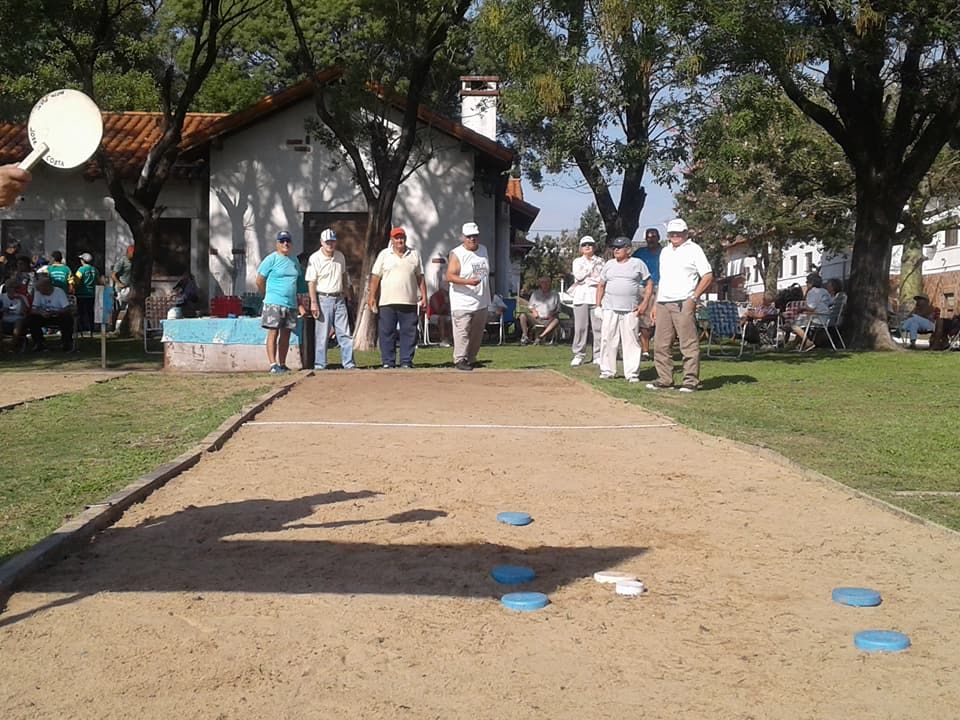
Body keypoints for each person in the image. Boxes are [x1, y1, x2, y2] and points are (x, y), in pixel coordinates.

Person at [647, 218, 714, 393]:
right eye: (671, 234)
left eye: (678, 233)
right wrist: (655, 304)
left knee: (688, 343)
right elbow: (663, 279)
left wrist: (694, 297)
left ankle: (690, 380)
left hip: (683, 301)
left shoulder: (694, 250)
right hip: (663, 302)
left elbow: (707, 275)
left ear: (685, 233)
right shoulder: (665, 252)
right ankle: (664, 379)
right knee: (661, 344)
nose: (675, 236)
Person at [368, 226, 426, 368]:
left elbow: (420, 277)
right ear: (392, 240)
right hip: (387, 301)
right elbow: (376, 277)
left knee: (409, 333)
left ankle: (406, 361)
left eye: (402, 237)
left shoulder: (414, 254)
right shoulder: (384, 254)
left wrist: (424, 296)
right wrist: (372, 296)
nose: (400, 240)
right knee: (387, 332)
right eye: (397, 238)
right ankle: (388, 362)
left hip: (409, 301)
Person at [596, 236, 652, 382]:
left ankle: (632, 373)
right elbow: (601, 285)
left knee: (631, 341)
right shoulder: (609, 264)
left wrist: (644, 303)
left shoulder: (638, 264)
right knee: (608, 339)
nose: (616, 250)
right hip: (610, 308)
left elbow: (649, 283)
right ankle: (607, 370)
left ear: (628, 249)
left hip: (631, 310)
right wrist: (598, 305)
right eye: (614, 248)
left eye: (619, 248)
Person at [255, 231, 305, 373]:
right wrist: (266, 294)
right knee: (273, 332)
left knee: (286, 334)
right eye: (282, 241)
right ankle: (273, 364)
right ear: (277, 243)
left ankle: (282, 363)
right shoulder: (271, 259)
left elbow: (297, 283)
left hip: (291, 304)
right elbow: (259, 280)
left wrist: (300, 303)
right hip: (274, 302)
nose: (285, 244)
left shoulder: (294, 260)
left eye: (287, 241)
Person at [306, 228, 356, 370]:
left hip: (339, 298)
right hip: (323, 298)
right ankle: (320, 363)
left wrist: (347, 293)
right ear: (322, 242)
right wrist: (314, 303)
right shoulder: (314, 258)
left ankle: (349, 363)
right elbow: (311, 282)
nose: (330, 245)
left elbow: (343, 276)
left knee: (344, 333)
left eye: (332, 241)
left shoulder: (340, 256)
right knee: (322, 334)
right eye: (327, 242)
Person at [446, 221, 491, 371]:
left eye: (475, 236)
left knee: (477, 332)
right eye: (469, 236)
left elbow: (485, 271)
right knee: (462, 331)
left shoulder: (483, 250)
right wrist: (468, 282)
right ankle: (460, 359)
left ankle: (471, 358)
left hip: (481, 300)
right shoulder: (457, 254)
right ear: (463, 237)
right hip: (462, 301)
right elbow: (450, 276)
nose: (472, 239)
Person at [569, 235, 604, 366]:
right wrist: (590, 271)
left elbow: (601, 278)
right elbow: (578, 276)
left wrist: (589, 277)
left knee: (598, 327)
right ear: (580, 248)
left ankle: (598, 355)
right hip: (581, 297)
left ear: (594, 246)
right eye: (584, 245)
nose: (587, 247)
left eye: (590, 244)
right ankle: (579, 354)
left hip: (596, 296)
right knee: (580, 328)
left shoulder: (601, 261)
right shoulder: (577, 261)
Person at [632, 228, 662, 360]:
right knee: (644, 321)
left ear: (658, 238)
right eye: (649, 237)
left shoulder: (665, 252)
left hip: (662, 287)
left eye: (654, 237)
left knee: (660, 321)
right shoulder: (640, 253)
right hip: (644, 288)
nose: (651, 239)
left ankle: (663, 351)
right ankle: (645, 351)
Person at [26, 274, 75, 352]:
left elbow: (67, 308)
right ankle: (39, 343)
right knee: (31, 319)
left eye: (40, 288)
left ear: (46, 286)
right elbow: (33, 309)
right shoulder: (38, 293)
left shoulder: (59, 292)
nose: (38, 290)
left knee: (67, 318)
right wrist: (41, 312)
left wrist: (55, 312)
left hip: (58, 315)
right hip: (44, 316)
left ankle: (67, 342)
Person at [789, 273, 834, 351]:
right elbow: (830, 303)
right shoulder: (824, 291)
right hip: (826, 318)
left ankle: (808, 343)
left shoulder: (812, 292)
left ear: (812, 283)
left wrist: (803, 307)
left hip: (817, 318)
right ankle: (795, 346)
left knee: (794, 325)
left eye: (807, 282)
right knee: (800, 323)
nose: (806, 283)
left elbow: (811, 308)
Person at [519, 276, 561, 345]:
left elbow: (558, 309)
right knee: (523, 315)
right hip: (537, 318)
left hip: (549, 319)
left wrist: (552, 314)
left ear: (550, 283)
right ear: (540, 284)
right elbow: (530, 306)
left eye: (547, 282)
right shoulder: (535, 294)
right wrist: (533, 310)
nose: (545, 284)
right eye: (542, 282)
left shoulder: (555, 295)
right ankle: (525, 337)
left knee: (556, 320)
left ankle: (540, 337)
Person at [74, 252, 98, 336]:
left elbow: (76, 281)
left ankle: (81, 329)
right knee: (90, 311)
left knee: (81, 312)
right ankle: (91, 328)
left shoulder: (81, 269)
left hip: (81, 293)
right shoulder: (95, 270)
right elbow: (97, 280)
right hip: (91, 294)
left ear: (83, 260)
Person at [1, 278, 28, 349]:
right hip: (4, 318)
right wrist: (3, 309)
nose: (11, 289)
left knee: (18, 321)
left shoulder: (22, 297)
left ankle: (13, 343)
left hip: (18, 319)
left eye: (13, 287)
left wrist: (20, 299)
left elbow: (24, 312)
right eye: (9, 287)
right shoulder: (1, 297)